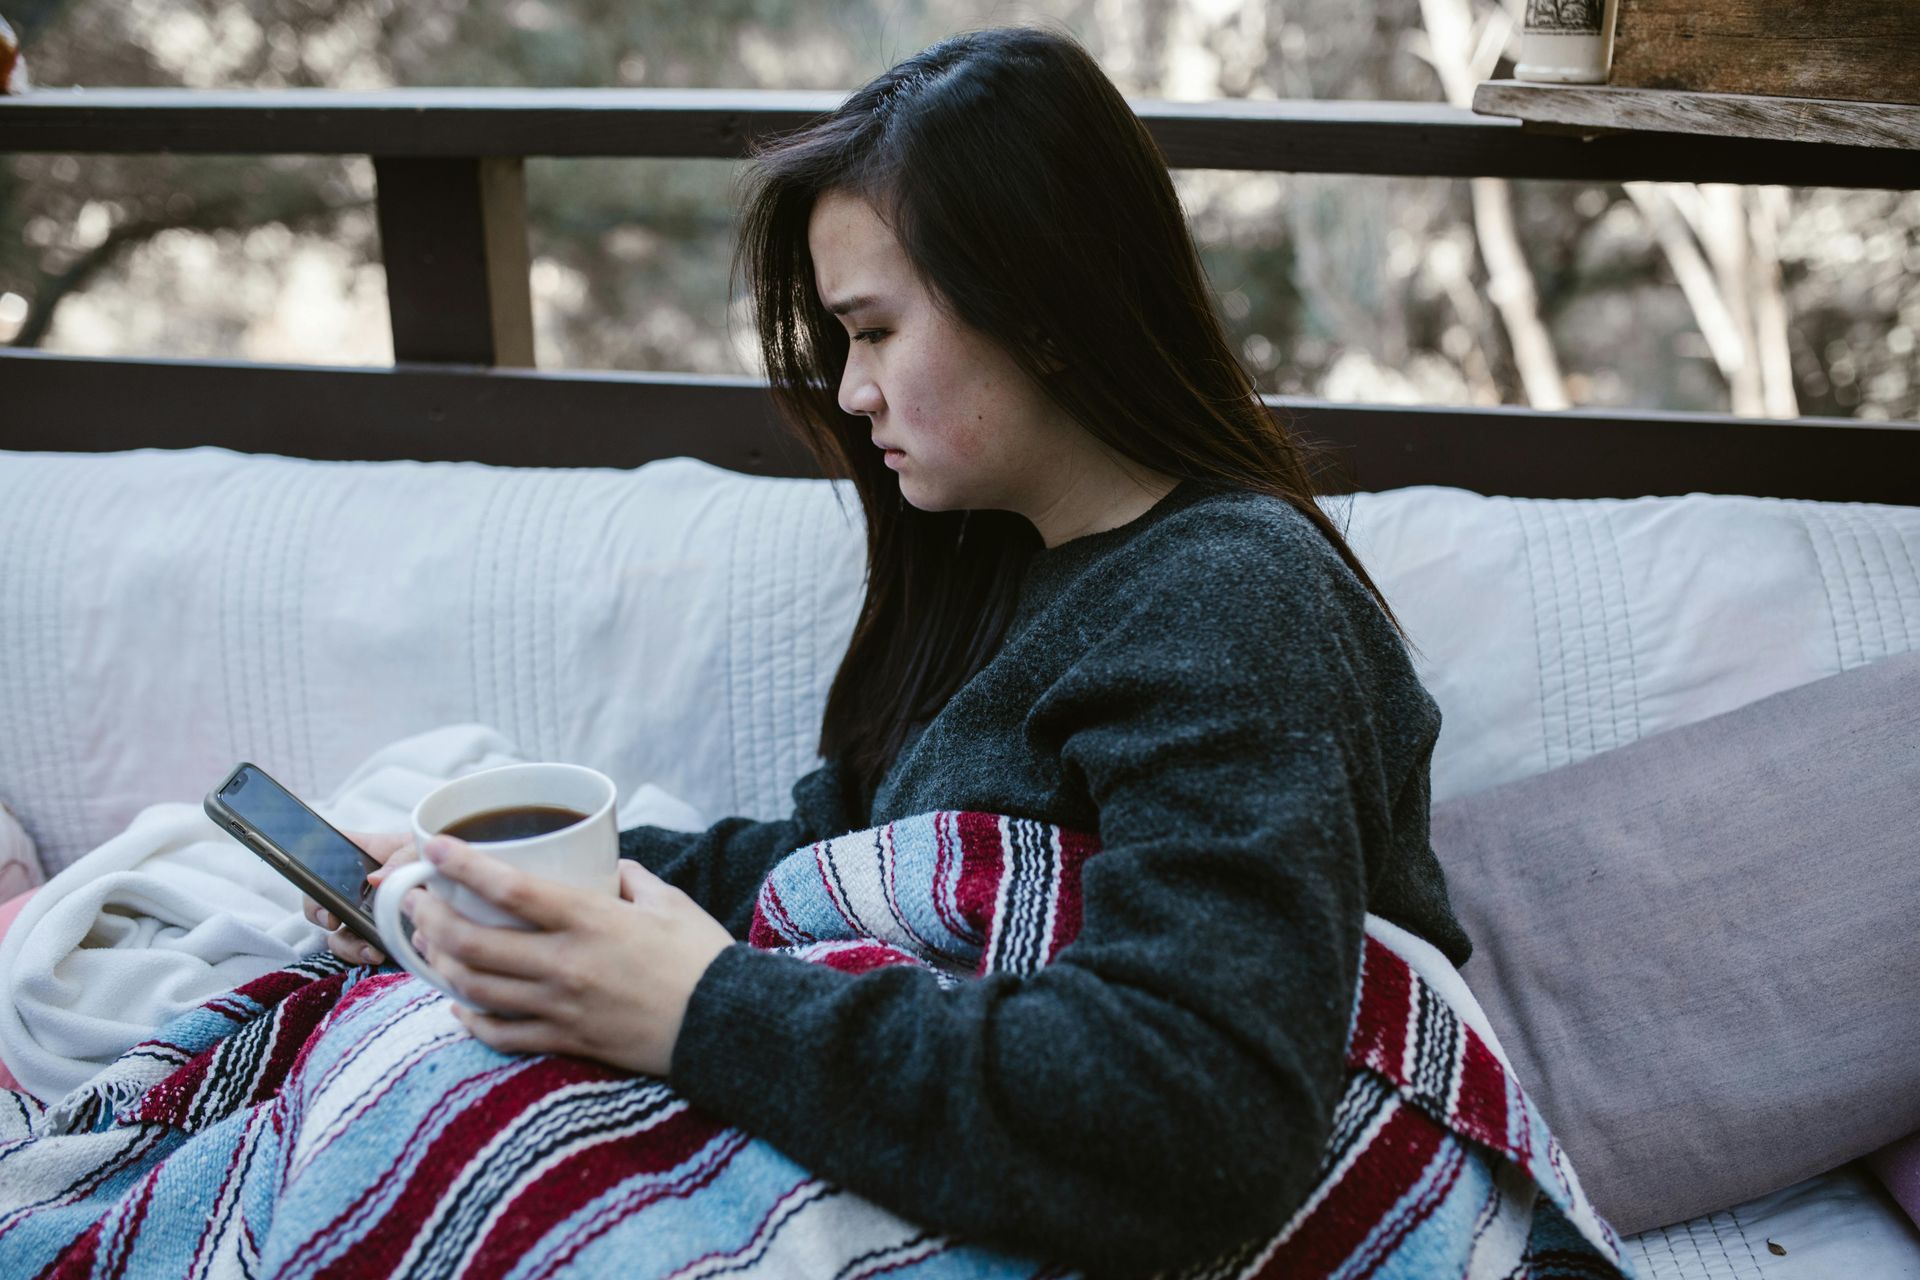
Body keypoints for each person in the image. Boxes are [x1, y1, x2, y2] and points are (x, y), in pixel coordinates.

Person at [303, 23, 1474, 1275]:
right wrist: (533, 883)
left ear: (1045, 312)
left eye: (871, 330)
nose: (851, 393)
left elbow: (1198, 1111)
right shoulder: (993, 565)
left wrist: (696, 1008)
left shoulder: (1236, 599)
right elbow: (836, 856)